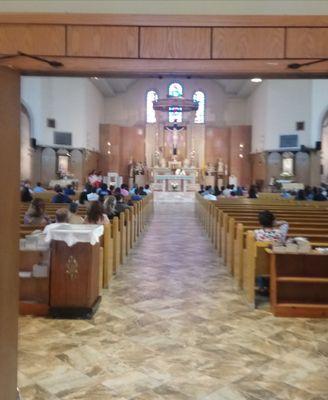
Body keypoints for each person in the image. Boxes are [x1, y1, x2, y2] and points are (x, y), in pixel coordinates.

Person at [254, 210, 289, 295]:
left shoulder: (256, 233)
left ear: (260, 222)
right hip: (277, 264)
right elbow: (285, 224)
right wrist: (275, 223)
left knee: (258, 257)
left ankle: (261, 286)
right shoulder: (280, 234)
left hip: (260, 266)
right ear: (274, 221)